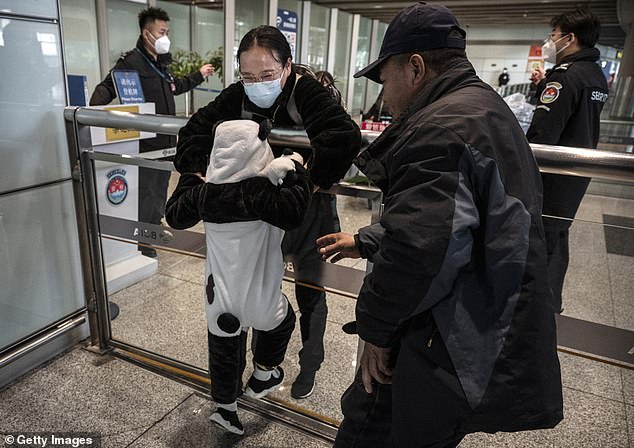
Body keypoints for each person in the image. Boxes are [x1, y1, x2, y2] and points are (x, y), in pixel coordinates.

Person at [316, 3, 563, 447]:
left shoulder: (439, 128)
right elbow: (458, 222)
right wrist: (370, 239)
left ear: (415, 67)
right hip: (483, 321)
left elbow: (419, 252)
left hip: (447, 337)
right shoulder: (484, 108)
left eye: (384, 79)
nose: (385, 96)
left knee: (370, 425)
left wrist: (375, 332)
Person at [172, 25, 361, 400]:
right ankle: (262, 368)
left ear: (287, 66)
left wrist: (308, 183)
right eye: (248, 76)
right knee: (258, 288)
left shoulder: (305, 91)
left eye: (267, 75)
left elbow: (343, 138)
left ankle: (309, 364)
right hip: (262, 212)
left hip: (308, 210)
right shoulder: (238, 95)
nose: (257, 84)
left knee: (309, 290)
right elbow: (193, 132)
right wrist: (196, 172)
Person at [165, 119, 311, 435]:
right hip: (260, 295)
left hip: (219, 295)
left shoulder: (205, 194)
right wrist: (295, 167)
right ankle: (263, 373)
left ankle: (226, 409)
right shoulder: (261, 192)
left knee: (223, 346)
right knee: (283, 321)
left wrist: (191, 176)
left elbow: (175, 216)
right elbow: (295, 211)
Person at [89, 6, 215, 258]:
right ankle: (142, 239)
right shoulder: (132, 62)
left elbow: (174, 88)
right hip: (145, 143)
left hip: (166, 141)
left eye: (167, 31)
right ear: (146, 34)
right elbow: (104, 89)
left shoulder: (160, 62)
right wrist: (92, 116)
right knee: (145, 190)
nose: (165, 37)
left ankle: (154, 225)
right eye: (161, 32)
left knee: (159, 187)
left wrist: (199, 75)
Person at [526, 8, 608, 313]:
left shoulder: (566, 76)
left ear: (569, 38)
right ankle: (548, 305)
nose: (550, 41)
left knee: (540, 241)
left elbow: (542, 134)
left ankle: (537, 310)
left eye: (553, 35)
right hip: (574, 178)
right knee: (556, 236)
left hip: (550, 178)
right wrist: (541, 88)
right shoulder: (595, 75)